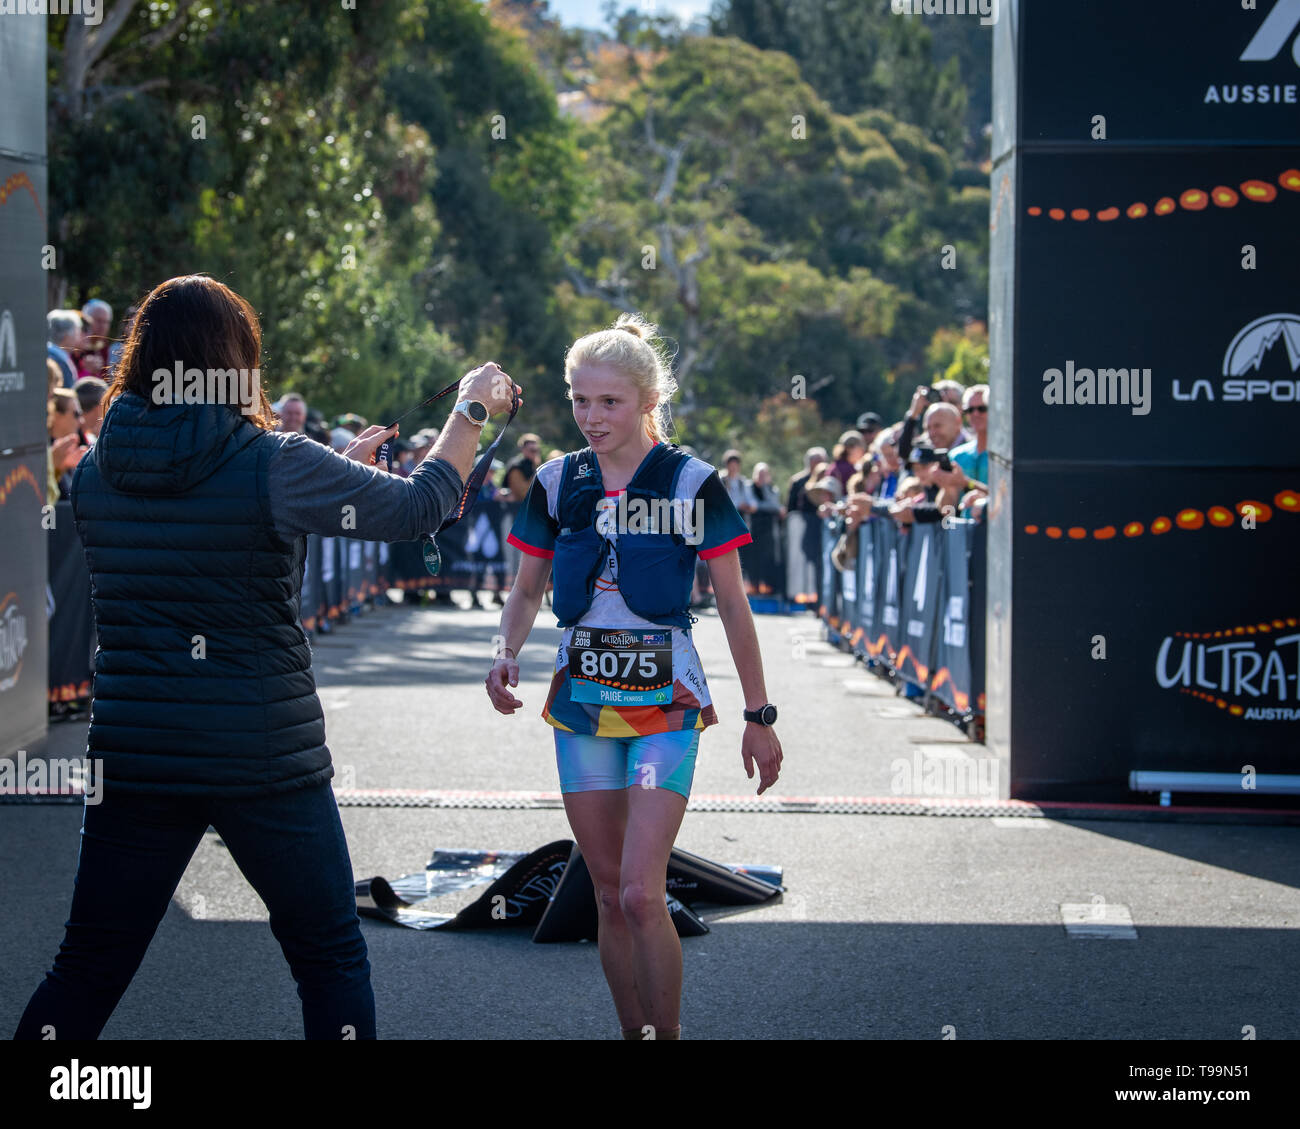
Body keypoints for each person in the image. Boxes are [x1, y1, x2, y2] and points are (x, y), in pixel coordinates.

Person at [14, 274, 522, 1041]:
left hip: (138, 754)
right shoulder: (273, 461)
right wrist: (471, 411)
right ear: (233, 359)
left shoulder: (94, 471)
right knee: (330, 959)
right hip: (261, 755)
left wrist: (336, 478)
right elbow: (421, 507)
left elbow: (224, 566)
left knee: (86, 966)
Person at [486, 313, 782, 1041]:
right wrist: (505, 650)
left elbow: (735, 604)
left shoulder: (692, 482)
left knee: (645, 893)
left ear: (647, 400)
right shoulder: (556, 480)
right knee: (609, 893)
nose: (591, 417)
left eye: (609, 402)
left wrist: (760, 713)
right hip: (581, 705)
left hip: (666, 706)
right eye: (581, 400)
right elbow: (527, 589)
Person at [498, 432, 541, 502]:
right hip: (514, 507)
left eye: (536, 450)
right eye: (532, 450)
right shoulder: (517, 466)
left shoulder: (534, 465)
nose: (535, 453)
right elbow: (522, 494)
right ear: (523, 449)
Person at [47, 310, 82, 389]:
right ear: (67, 335)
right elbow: (67, 394)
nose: (78, 338)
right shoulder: (60, 362)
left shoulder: (43, 353)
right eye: (77, 333)